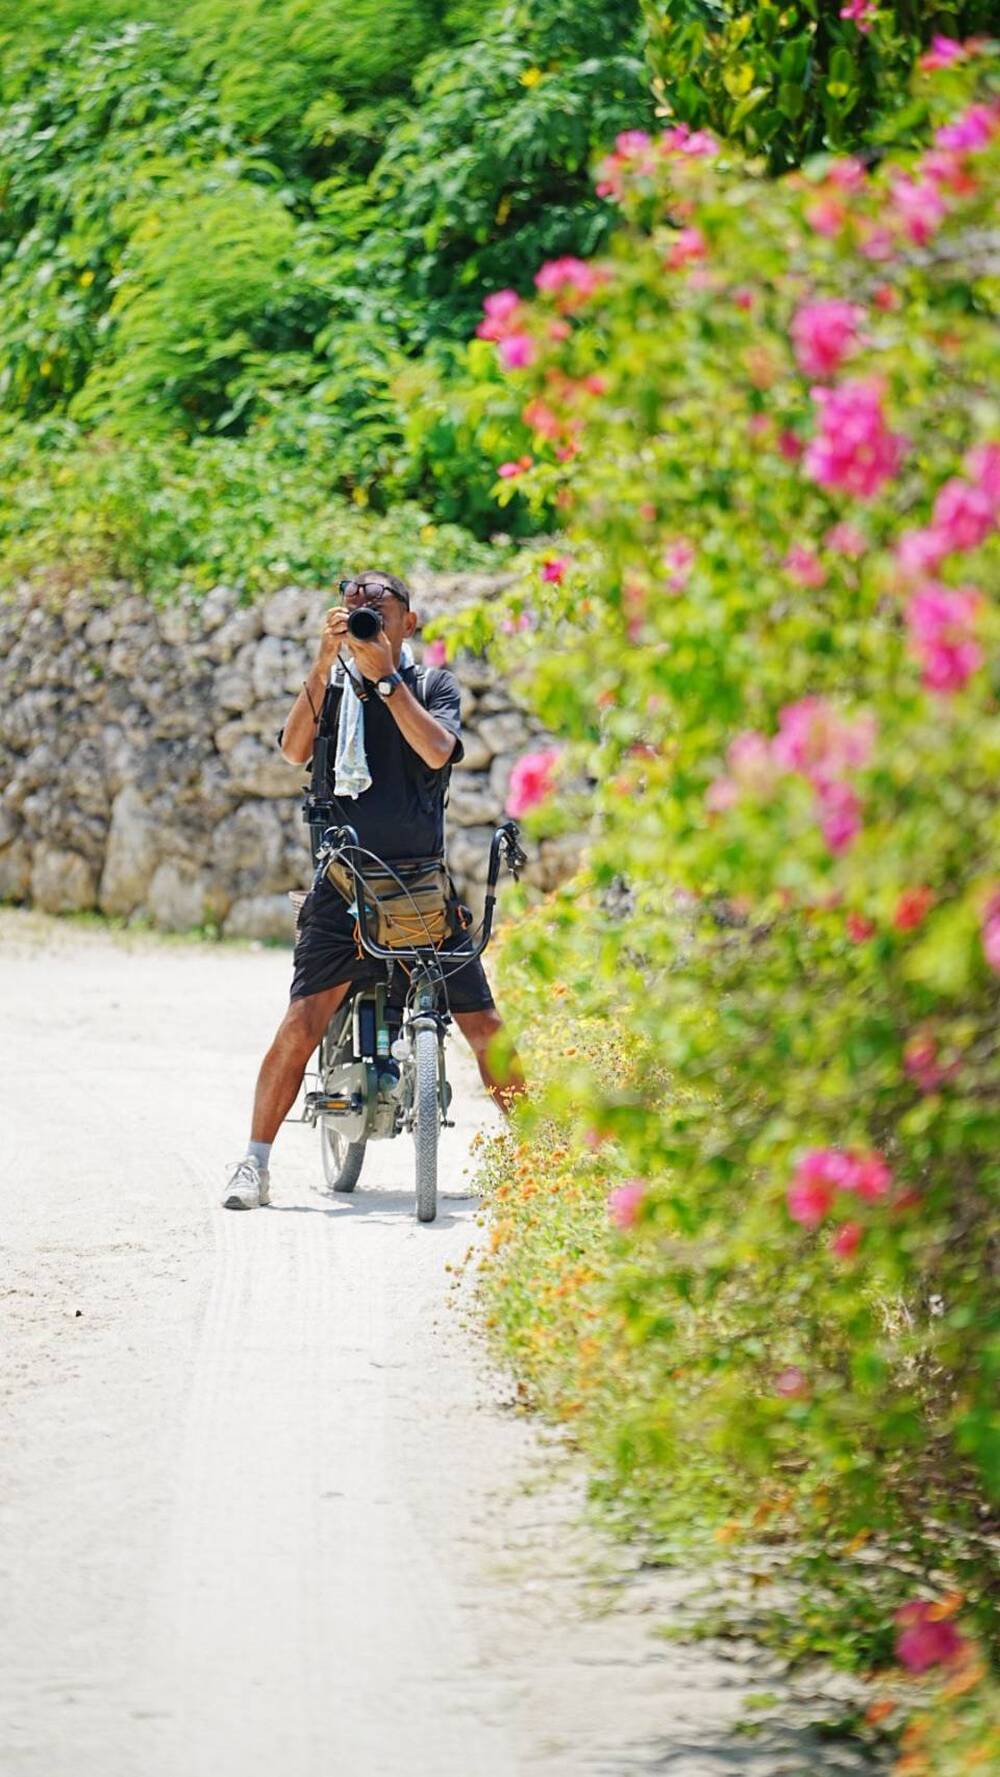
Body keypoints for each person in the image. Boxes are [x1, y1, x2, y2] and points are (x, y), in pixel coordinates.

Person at [222, 568, 526, 1210]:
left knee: (484, 1023)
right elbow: (293, 750)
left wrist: (385, 678)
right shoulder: (331, 687)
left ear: (408, 621)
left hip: (420, 884)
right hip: (344, 881)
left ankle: (538, 1155)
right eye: (352, 605)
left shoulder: (429, 684)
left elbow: (439, 751)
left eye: (377, 606)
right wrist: (325, 659)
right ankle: (255, 1163)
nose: (363, 614)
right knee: (304, 1019)